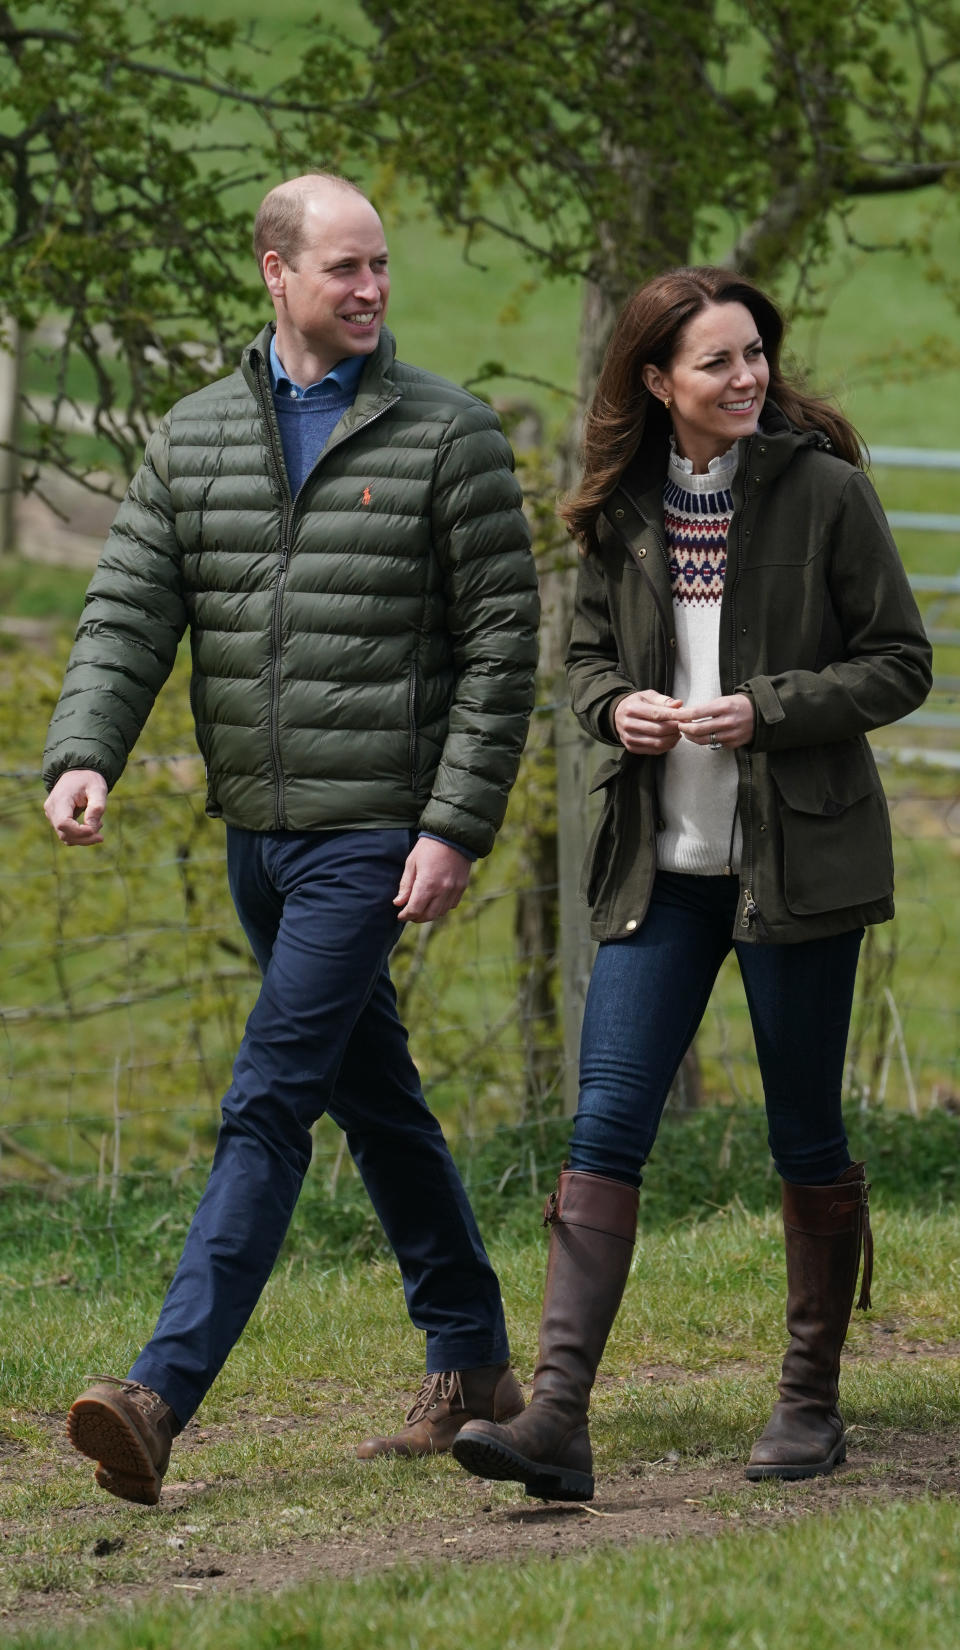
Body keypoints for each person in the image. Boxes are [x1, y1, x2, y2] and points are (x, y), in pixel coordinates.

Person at [42, 172, 539, 1506]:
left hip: (373, 830)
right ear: (275, 273)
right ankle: (478, 1360)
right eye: (345, 269)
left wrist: (453, 822)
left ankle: (158, 1394)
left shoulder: (450, 435)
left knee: (269, 1098)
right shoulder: (197, 436)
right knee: (372, 1092)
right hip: (256, 830)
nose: (372, 290)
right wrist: (85, 749)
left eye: (382, 267)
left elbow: (502, 649)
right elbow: (130, 606)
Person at [452, 264, 932, 1501]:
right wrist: (624, 710)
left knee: (803, 1132)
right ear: (657, 380)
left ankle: (809, 1403)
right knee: (606, 1124)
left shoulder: (827, 495)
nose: (746, 376)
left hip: (800, 865)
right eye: (715, 361)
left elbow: (900, 664)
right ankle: (557, 1421)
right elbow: (584, 666)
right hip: (655, 873)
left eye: (754, 354)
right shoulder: (620, 512)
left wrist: (763, 711)